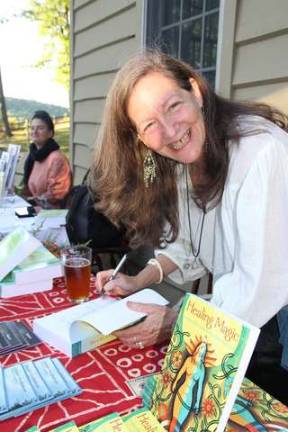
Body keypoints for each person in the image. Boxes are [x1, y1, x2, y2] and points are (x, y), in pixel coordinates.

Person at [90, 50, 288, 402]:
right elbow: (187, 247)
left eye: (173, 106)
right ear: (139, 139)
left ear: (196, 91)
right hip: (245, 319)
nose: (169, 131)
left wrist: (175, 321)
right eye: (149, 124)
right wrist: (137, 280)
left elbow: (258, 288)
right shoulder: (185, 161)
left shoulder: (259, 152)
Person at [22, 110, 72, 209]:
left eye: (40, 128)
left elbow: (57, 195)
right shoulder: (34, 156)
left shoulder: (56, 159)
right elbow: (27, 189)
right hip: (37, 209)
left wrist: (32, 202)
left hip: (53, 215)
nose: (34, 132)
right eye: (32, 128)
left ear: (50, 133)